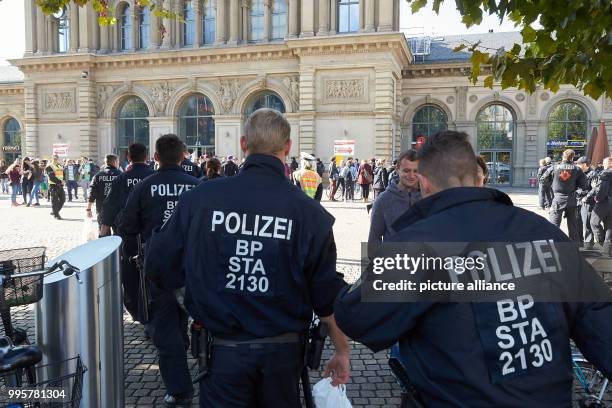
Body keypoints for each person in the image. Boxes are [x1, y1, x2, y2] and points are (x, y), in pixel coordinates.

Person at [335, 131, 612, 407]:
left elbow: (355, 316)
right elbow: (600, 320)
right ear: (479, 178)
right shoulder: (543, 232)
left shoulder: (417, 245)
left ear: (424, 183)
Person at [144, 109, 351, 407]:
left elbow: (158, 264)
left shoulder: (200, 199)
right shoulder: (310, 214)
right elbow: (326, 292)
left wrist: (194, 286)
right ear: (288, 147)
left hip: (222, 355)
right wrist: (342, 350)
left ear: (243, 144)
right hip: (283, 356)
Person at [119, 134, 200, 407]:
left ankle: (179, 390)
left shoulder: (144, 187)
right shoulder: (197, 186)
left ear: (156, 157)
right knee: (194, 320)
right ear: (183, 155)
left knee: (165, 328)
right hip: (192, 269)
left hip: (159, 268)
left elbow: (127, 227)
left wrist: (136, 254)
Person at [101, 143, 155, 321]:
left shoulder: (121, 179)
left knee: (130, 274)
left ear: (129, 157)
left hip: (127, 237)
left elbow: (109, 207)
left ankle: (137, 311)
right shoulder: (154, 177)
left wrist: (104, 232)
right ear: (146, 156)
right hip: (151, 236)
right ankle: (151, 308)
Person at [368, 150, 421, 246]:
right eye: (406, 171)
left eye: (416, 171)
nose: (412, 176)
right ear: (397, 170)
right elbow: (374, 240)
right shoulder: (383, 200)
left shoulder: (429, 197)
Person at [541, 149, 588, 242]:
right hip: (572, 199)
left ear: (563, 156)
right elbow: (585, 186)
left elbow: (542, 180)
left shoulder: (555, 167)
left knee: (554, 224)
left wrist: (552, 184)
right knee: (573, 226)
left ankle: (554, 246)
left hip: (558, 198)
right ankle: (574, 247)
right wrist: (575, 185)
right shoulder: (577, 169)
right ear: (573, 157)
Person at [86, 155, 121, 235]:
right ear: (114, 162)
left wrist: (88, 209)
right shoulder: (121, 175)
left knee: (104, 234)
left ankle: (105, 247)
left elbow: (92, 194)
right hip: (118, 210)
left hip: (102, 209)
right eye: (118, 162)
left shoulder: (98, 176)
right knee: (118, 235)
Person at [589, 156, 612, 255]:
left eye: (605, 162)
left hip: (604, 202)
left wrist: (597, 198)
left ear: (610, 163)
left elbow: (603, 187)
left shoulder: (606, 173)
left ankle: (602, 244)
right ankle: (608, 250)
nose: (603, 164)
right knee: (609, 227)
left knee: (594, 222)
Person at [576, 156, 597, 248]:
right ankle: (579, 242)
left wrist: (586, 197)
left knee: (587, 223)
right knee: (577, 223)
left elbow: (595, 189)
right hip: (577, 201)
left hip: (587, 202)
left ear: (584, 165)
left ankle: (589, 244)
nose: (577, 166)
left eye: (579, 164)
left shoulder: (593, 174)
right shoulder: (578, 173)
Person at [45, 155, 65, 219]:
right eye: (54, 158)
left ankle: (55, 211)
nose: (55, 159)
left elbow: (63, 174)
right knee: (54, 201)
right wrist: (60, 181)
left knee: (63, 199)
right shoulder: (49, 167)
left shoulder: (59, 166)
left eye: (56, 158)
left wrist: (63, 180)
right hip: (53, 186)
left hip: (60, 186)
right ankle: (56, 215)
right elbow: (51, 177)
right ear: (52, 159)